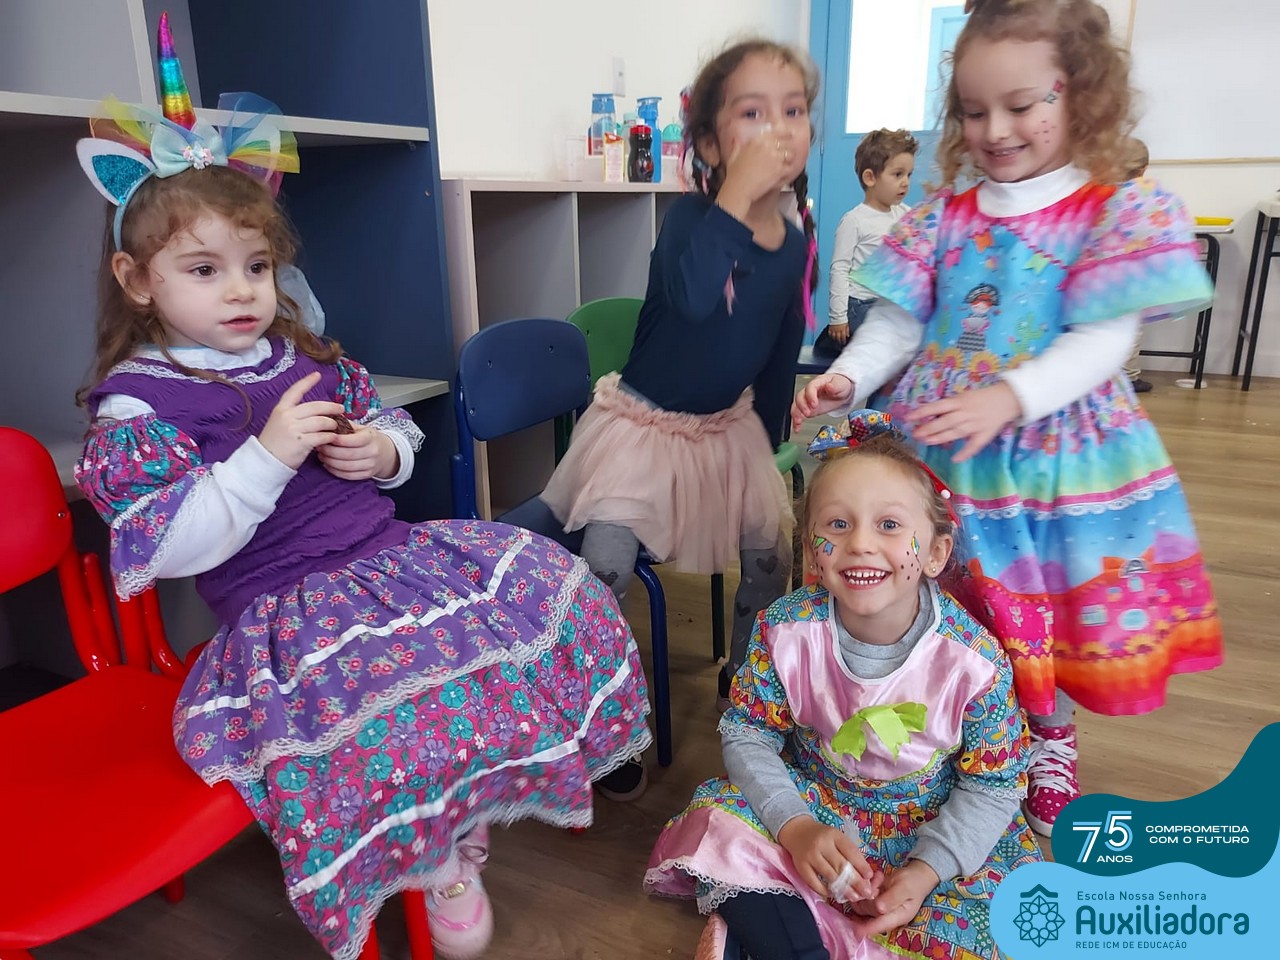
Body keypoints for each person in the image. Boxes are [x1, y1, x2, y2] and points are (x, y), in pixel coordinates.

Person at [72, 20, 651, 960]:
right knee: (396, 720)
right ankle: (442, 858)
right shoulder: (140, 403)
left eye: (256, 267)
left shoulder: (299, 353)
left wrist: (380, 452)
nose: (241, 291)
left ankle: (470, 813)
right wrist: (264, 457)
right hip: (284, 612)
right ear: (136, 281)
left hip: (391, 559)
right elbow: (170, 547)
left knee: (549, 602)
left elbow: (399, 434)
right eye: (204, 270)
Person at [792, 0, 1223, 840]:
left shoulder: (1110, 212)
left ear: (1082, 96)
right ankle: (954, 722)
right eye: (972, 110)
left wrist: (1011, 397)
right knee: (946, 592)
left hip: (1055, 463)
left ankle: (1049, 736)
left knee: (1042, 607)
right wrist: (850, 376)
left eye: (1021, 106)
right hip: (946, 449)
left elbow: (1105, 338)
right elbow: (899, 323)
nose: (995, 129)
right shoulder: (942, 218)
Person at [645, 410, 1042, 960]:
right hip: (815, 802)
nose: (859, 543)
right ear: (812, 552)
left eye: (889, 525)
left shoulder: (974, 663)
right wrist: (796, 827)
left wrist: (926, 871)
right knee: (718, 817)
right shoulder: (784, 630)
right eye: (836, 524)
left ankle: (773, 929)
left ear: (935, 553)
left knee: (1015, 915)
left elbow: (993, 786)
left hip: (926, 828)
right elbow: (748, 734)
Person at [543, 38, 818, 721]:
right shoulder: (691, 220)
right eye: (752, 113)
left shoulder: (795, 244)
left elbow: (781, 345)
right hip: (641, 428)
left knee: (770, 558)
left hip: (725, 430)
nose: (778, 130)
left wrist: (770, 444)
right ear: (711, 145)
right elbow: (695, 297)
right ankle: (599, 707)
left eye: (793, 111)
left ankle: (746, 682)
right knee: (606, 565)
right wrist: (735, 197)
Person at [816, 129, 919, 358]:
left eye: (909, 175)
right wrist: (838, 317)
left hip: (890, 303)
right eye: (898, 174)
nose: (905, 182)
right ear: (870, 178)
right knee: (886, 342)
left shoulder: (906, 214)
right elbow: (840, 269)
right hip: (860, 305)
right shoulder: (855, 220)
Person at [1120, 138, 1153, 393]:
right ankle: (1129, 377)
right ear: (1143, 168)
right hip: (1133, 277)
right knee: (1131, 329)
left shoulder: (1099, 194)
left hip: (1099, 278)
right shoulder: (1147, 196)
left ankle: (1102, 378)